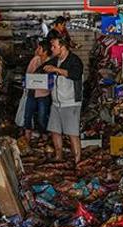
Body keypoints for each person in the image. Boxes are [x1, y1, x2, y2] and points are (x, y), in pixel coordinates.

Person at [43, 35, 83, 164]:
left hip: (70, 102)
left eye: (54, 46)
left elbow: (75, 75)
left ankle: (77, 161)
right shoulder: (55, 60)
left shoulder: (74, 60)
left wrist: (56, 70)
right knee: (55, 131)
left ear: (63, 47)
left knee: (72, 133)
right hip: (56, 102)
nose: (52, 49)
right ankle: (58, 156)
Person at [23, 40, 52, 141]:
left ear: (45, 51)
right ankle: (27, 137)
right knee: (27, 115)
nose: (37, 50)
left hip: (44, 94)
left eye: (39, 48)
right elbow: (28, 73)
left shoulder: (51, 62)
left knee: (42, 117)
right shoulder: (35, 60)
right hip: (32, 92)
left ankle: (44, 137)